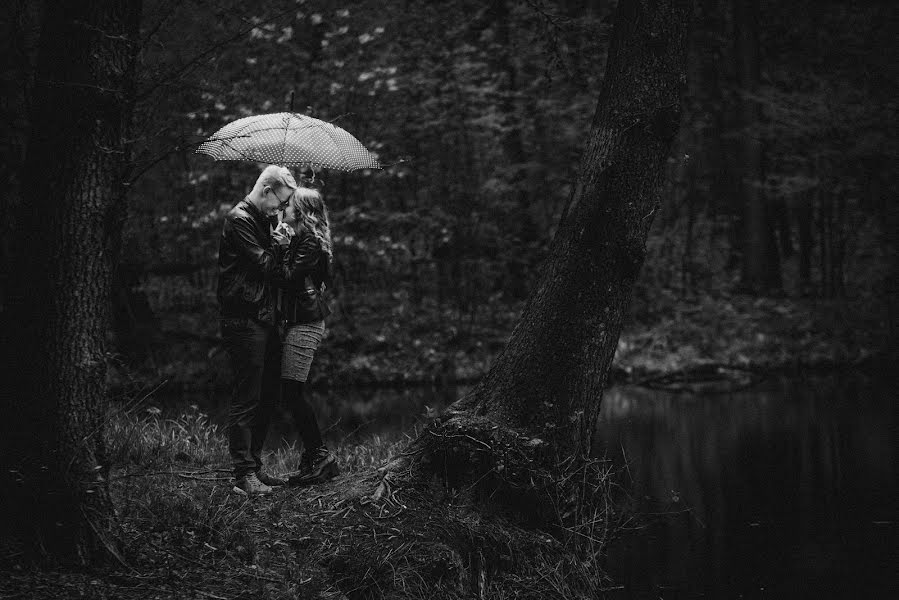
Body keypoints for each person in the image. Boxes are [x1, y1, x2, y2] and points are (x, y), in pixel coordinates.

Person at [217, 165, 295, 495]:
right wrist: (278, 245)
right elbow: (264, 265)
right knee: (247, 397)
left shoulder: (262, 220)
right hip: (243, 318)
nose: (281, 211)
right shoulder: (239, 220)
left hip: (265, 318)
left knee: (267, 396)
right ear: (265, 192)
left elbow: (277, 273)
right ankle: (242, 475)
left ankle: (256, 468)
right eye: (279, 203)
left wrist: (282, 243)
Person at [272, 186, 339, 486]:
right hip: (302, 320)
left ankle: (320, 456)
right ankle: (314, 457)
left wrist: (281, 246)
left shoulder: (309, 241)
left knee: (293, 392)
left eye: (288, 205)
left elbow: (287, 278)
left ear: (300, 211)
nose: (283, 208)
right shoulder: (307, 239)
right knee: (291, 392)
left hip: (306, 322)